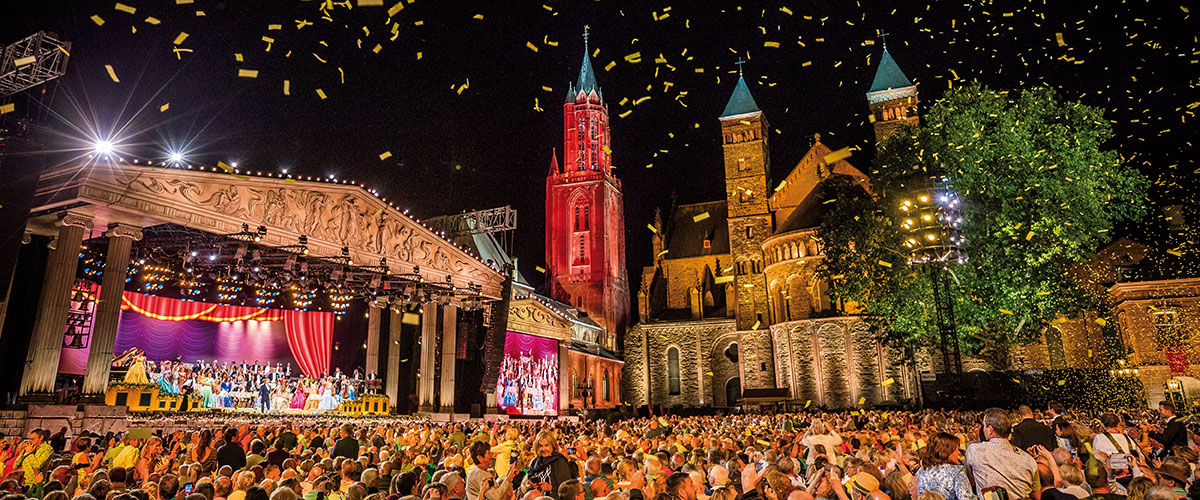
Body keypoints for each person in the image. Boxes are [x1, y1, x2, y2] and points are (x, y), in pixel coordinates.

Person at [963, 408, 1040, 500]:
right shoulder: (1029, 459)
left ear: (990, 429)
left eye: (984, 426)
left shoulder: (975, 450)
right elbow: (1036, 496)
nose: (983, 429)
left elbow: (971, 480)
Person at [915, 433, 975, 500]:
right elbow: (966, 498)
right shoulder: (957, 472)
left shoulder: (922, 472)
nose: (958, 453)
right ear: (945, 452)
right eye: (955, 450)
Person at [525, 430, 574, 498]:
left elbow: (566, 490)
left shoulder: (559, 461)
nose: (543, 449)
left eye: (546, 445)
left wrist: (551, 488)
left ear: (552, 445)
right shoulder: (535, 462)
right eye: (541, 446)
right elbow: (527, 484)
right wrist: (530, 486)